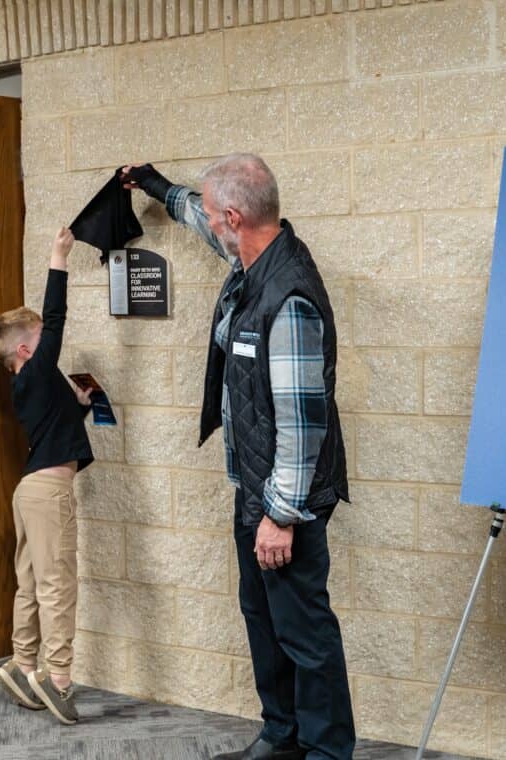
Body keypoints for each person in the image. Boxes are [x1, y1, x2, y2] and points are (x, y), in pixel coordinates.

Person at [123, 155, 355, 760]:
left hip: (286, 500)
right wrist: (153, 186)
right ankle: (281, 738)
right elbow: (198, 221)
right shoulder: (250, 258)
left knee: (304, 633)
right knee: (263, 618)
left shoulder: (289, 295)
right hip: (253, 487)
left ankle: (328, 752)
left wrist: (280, 515)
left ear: (235, 215)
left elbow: (305, 422)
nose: (205, 218)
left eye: (209, 208)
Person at [0, 227, 94, 725]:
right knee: (58, 583)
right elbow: (55, 318)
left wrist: (81, 406)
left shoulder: (32, 387)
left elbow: (57, 424)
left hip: (30, 489)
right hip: (49, 491)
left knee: (29, 581)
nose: (47, 343)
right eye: (39, 342)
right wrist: (58, 257)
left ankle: (23, 663)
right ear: (25, 352)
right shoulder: (34, 369)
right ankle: (59, 678)